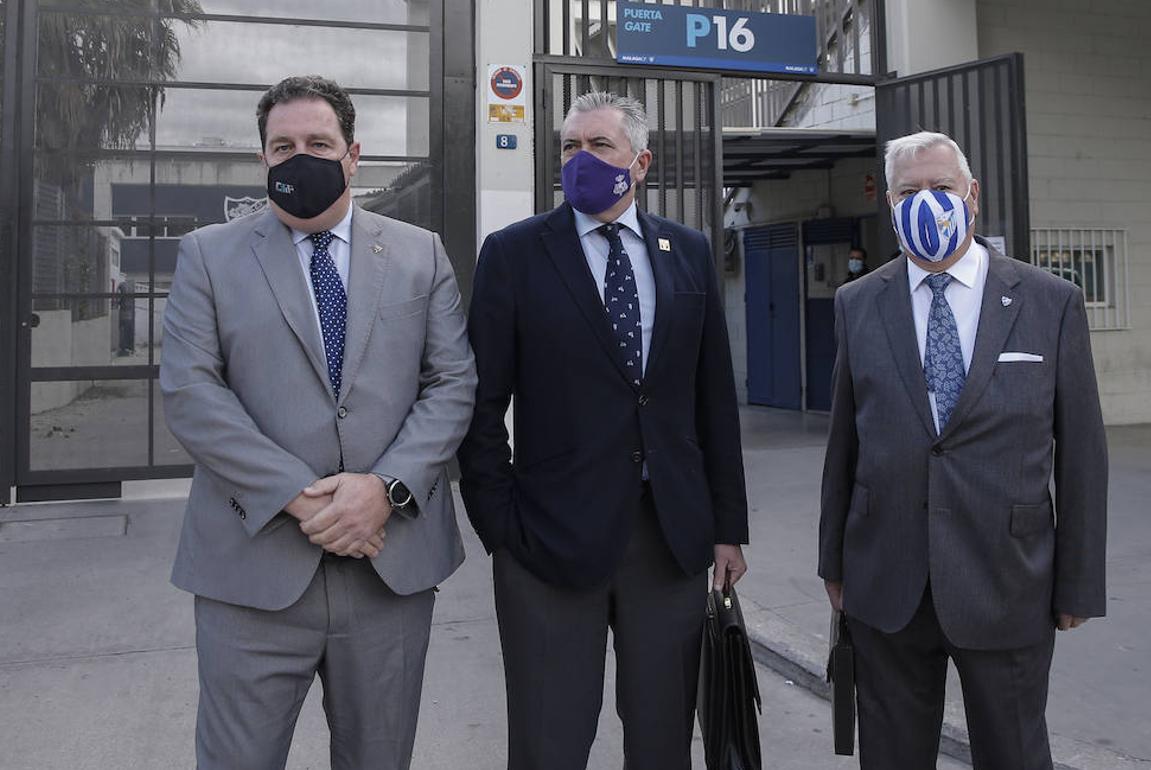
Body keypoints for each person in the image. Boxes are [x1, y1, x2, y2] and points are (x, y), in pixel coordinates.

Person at [160, 75, 476, 770]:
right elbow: (191, 391)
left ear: (353, 155)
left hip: (387, 569)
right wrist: (301, 497)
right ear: (264, 159)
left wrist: (383, 490)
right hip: (251, 577)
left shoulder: (420, 254)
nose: (299, 156)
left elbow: (452, 383)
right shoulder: (209, 255)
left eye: (318, 143)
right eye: (283, 145)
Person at [457, 91, 749, 770]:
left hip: (669, 539)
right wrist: (499, 524)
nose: (580, 159)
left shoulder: (689, 253)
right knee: (548, 744)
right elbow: (478, 401)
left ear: (640, 163)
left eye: (599, 146)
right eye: (569, 146)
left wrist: (727, 524)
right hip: (548, 545)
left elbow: (713, 401)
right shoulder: (516, 254)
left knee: (662, 742)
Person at [818, 131, 1107, 769]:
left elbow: (1082, 451)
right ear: (889, 205)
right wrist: (834, 562)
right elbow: (845, 443)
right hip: (888, 582)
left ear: (972, 197)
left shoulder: (1049, 301)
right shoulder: (857, 303)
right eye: (909, 191)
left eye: (941, 188)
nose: (927, 201)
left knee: (1015, 753)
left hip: (1008, 581)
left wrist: (1079, 583)